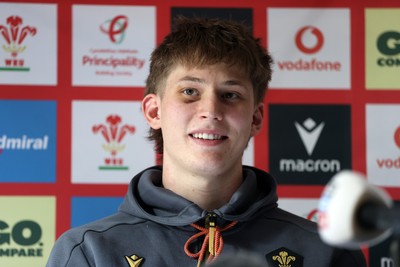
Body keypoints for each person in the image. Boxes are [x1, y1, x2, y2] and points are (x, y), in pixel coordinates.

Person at [46, 16, 366, 267]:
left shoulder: (323, 252)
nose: (211, 111)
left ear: (255, 118)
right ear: (154, 110)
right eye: (190, 92)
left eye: (230, 95)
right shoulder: (89, 251)